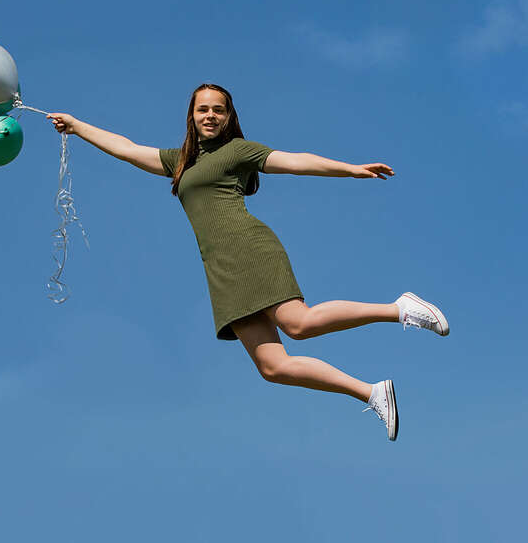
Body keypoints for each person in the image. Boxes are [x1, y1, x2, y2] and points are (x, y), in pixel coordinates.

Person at [46, 83, 449, 441]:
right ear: (191, 115)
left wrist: (350, 169)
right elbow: (128, 148)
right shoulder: (180, 161)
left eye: (217, 110)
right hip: (220, 270)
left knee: (298, 324)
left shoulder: (237, 151)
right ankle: (371, 391)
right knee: (273, 367)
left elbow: (294, 160)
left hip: (248, 247)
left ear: (228, 117)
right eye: (202, 109)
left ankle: (400, 309)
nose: (209, 116)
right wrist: (77, 125)